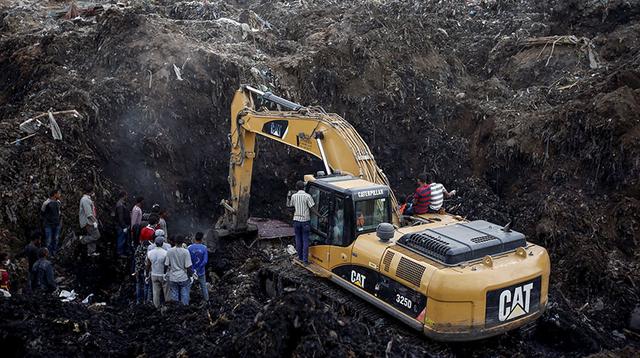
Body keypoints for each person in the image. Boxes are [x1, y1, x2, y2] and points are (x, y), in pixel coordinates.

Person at [290, 180, 322, 265]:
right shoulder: (307, 196)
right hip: (305, 222)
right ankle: (305, 261)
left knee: (298, 239)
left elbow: (291, 207)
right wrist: (320, 216)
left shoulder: (294, 196)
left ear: (296, 188)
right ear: (304, 187)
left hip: (296, 220)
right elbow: (312, 208)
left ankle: (299, 257)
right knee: (305, 240)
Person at [165, 237, 193, 305]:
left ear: (175, 242)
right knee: (185, 294)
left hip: (173, 277)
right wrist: (191, 275)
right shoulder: (186, 252)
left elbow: (166, 264)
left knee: (174, 295)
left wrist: (164, 274)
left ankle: (176, 311)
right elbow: (188, 266)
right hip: (183, 277)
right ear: (182, 242)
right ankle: (185, 310)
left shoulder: (169, 251)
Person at [146, 236, 169, 308]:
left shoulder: (150, 253)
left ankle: (156, 308)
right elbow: (166, 264)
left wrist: (147, 275)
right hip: (163, 275)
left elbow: (148, 265)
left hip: (154, 275)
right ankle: (167, 307)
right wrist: (165, 273)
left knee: (155, 293)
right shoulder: (165, 253)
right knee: (166, 293)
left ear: (155, 243)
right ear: (162, 244)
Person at [79, 184, 100, 256]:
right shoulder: (85, 200)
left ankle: (91, 252)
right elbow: (88, 214)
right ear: (91, 191)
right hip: (88, 222)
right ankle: (82, 239)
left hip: (90, 221)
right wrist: (95, 221)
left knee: (91, 235)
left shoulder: (88, 199)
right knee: (96, 236)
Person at [188, 232, 209, 303]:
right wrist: (198, 268)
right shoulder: (204, 248)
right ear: (202, 239)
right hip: (201, 271)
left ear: (195, 238)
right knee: (203, 286)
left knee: (188, 286)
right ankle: (207, 301)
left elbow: (188, 260)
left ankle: (186, 301)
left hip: (191, 271)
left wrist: (193, 269)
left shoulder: (189, 248)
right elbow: (205, 261)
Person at [41, 188, 62, 256]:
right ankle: (48, 254)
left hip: (57, 224)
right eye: (58, 193)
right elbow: (42, 212)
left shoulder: (58, 202)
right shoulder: (46, 203)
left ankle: (54, 252)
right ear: (54, 194)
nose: (59, 194)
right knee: (48, 240)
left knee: (56, 239)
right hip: (48, 224)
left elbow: (59, 212)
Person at [115, 191, 130, 257]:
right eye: (126, 195)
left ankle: (124, 252)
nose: (127, 197)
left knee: (124, 239)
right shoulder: (120, 205)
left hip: (123, 225)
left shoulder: (122, 204)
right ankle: (120, 253)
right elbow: (120, 217)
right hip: (121, 226)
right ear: (123, 196)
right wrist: (124, 227)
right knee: (121, 238)